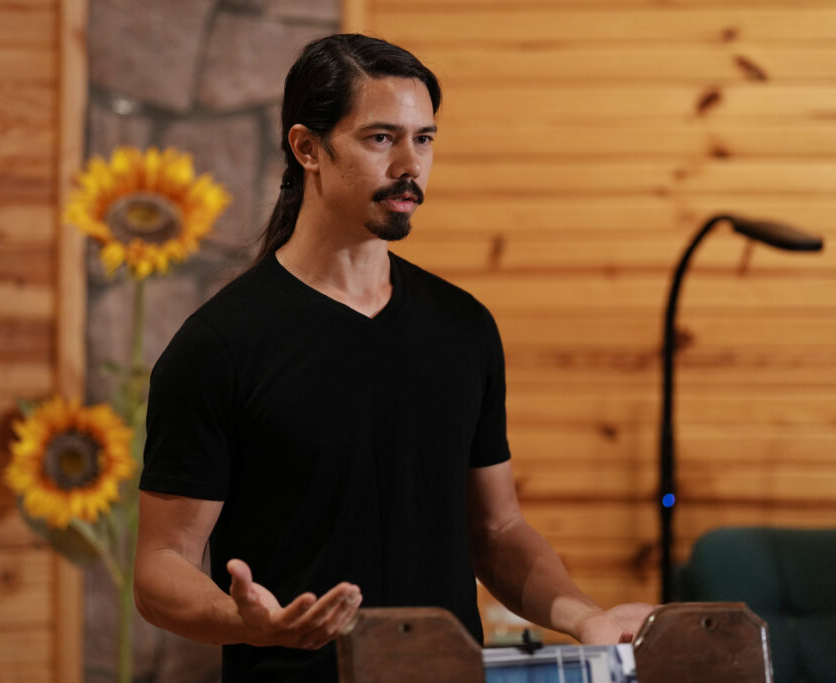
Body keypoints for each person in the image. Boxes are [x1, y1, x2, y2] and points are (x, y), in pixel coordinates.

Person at [133, 33, 651, 682]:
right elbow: (160, 568)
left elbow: (497, 530)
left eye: (425, 138)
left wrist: (585, 618)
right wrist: (246, 622)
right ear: (307, 148)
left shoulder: (463, 329)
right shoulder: (219, 346)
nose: (411, 163)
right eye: (382, 138)